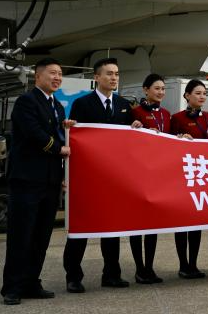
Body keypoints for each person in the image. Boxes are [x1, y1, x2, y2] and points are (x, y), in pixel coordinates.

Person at [63, 57, 141, 293]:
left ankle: (112, 274)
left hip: (114, 177)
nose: (114, 77)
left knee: (112, 227)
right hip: (88, 176)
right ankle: (73, 276)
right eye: (109, 73)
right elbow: (75, 138)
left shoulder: (124, 105)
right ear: (96, 77)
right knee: (81, 227)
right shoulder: (82, 104)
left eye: (116, 73)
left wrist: (136, 127)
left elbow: (131, 139)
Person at [1, 57, 73, 305]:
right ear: (38, 76)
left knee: (41, 236)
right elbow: (34, 133)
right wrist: (59, 148)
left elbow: (58, 134)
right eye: (52, 73)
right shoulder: (26, 101)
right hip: (27, 180)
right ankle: (12, 287)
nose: (57, 77)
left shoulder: (58, 106)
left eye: (60, 74)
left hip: (50, 181)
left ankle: (31, 282)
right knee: (21, 235)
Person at [169, 79, 208, 278]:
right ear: (187, 96)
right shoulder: (177, 118)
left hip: (203, 176)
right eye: (198, 93)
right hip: (184, 175)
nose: (202, 97)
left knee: (196, 222)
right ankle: (183, 265)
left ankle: (193, 263)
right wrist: (178, 139)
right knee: (182, 223)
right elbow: (168, 145)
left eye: (204, 94)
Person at [129, 73, 171, 284]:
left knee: (153, 225)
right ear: (146, 90)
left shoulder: (166, 114)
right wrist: (138, 130)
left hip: (158, 174)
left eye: (163, 89)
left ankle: (149, 267)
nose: (161, 92)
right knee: (137, 224)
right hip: (139, 173)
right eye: (157, 88)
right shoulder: (135, 112)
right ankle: (139, 268)